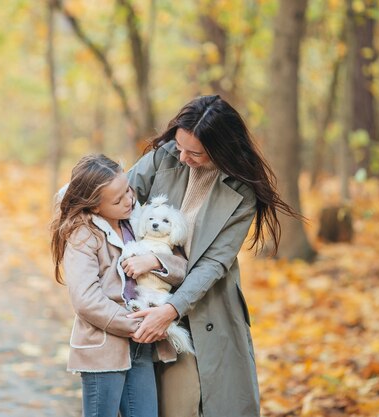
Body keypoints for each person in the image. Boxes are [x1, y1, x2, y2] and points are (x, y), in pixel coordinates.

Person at [126, 95, 301, 417]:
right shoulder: (165, 156)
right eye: (179, 146)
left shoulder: (242, 190)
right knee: (146, 403)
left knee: (190, 403)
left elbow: (214, 262)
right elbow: (119, 201)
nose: (183, 157)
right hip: (142, 291)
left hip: (203, 303)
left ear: (222, 149)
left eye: (195, 153)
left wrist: (171, 309)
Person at [50, 154, 187, 417]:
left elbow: (182, 268)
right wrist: (139, 325)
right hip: (104, 349)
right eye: (117, 199)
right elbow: (86, 300)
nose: (130, 200)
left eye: (128, 190)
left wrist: (154, 261)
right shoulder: (84, 235)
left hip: (141, 347)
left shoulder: (139, 223)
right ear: (95, 206)